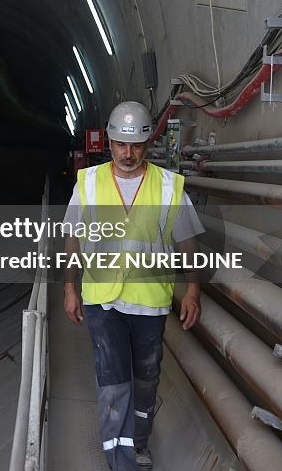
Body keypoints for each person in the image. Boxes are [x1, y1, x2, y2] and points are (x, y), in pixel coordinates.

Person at [62, 101, 204, 470]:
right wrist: (69, 287)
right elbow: (73, 239)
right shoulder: (89, 183)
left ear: (147, 145)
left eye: (136, 145)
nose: (128, 153)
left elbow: (188, 242)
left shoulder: (170, 187)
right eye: (121, 145)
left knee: (146, 380)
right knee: (113, 383)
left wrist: (192, 290)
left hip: (148, 303)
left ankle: (138, 442)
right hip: (102, 302)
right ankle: (120, 462)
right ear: (109, 142)